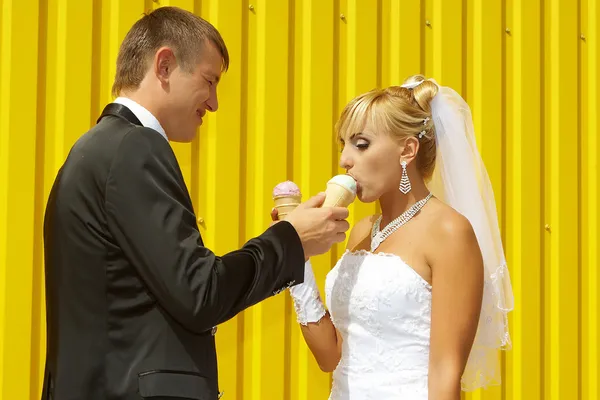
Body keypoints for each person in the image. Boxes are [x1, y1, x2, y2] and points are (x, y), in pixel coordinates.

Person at [41, 6, 349, 400]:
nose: (215, 103)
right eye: (209, 80)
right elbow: (199, 293)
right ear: (165, 65)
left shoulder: (95, 151)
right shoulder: (134, 147)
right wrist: (291, 241)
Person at [281, 75, 514, 399]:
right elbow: (329, 356)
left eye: (361, 144)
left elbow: (446, 372)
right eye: (343, 145)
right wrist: (298, 255)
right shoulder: (361, 231)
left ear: (407, 150)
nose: (344, 160)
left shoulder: (449, 232)